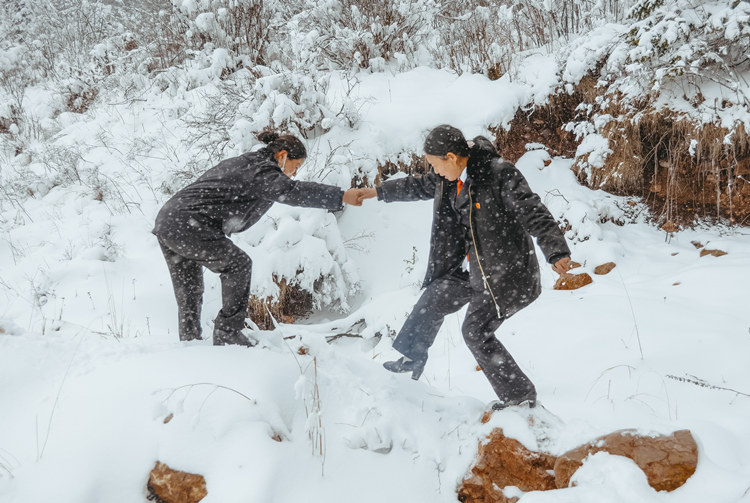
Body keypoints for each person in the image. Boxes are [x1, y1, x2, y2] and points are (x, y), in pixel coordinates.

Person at [359, 124, 572, 409]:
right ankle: (412, 358)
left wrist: (555, 250)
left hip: (506, 273)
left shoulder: (498, 174)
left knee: (475, 331)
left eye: (436, 165)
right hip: (476, 269)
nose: (434, 171)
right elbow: (419, 185)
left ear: (451, 157)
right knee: (436, 295)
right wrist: (376, 192)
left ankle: (520, 397)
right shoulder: (449, 177)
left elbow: (533, 211)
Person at [153, 131, 363, 346]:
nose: (294, 173)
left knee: (190, 288)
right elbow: (293, 192)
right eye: (295, 165)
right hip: (188, 223)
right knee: (238, 264)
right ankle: (228, 332)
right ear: (282, 155)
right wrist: (341, 195)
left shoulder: (248, 164)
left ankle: (190, 341)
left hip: (169, 221)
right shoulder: (261, 170)